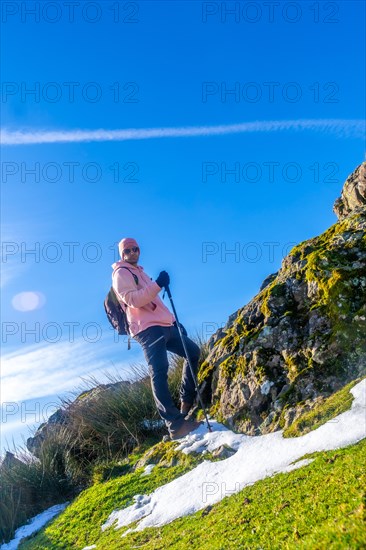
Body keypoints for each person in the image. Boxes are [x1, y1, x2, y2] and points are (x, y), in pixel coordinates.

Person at [111, 237, 203, 440]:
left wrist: (173, 322)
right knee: (159, 371)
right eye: (128, 250)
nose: (133, 252)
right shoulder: (121, 273)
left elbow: (156, 304)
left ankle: (185, 402)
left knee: (193, 352)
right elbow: (133, 300)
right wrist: (159, 284)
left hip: (165, 326)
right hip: (146, 329)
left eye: (135, 249)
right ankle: (175, 425)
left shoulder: (140, 273)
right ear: (122, 254)